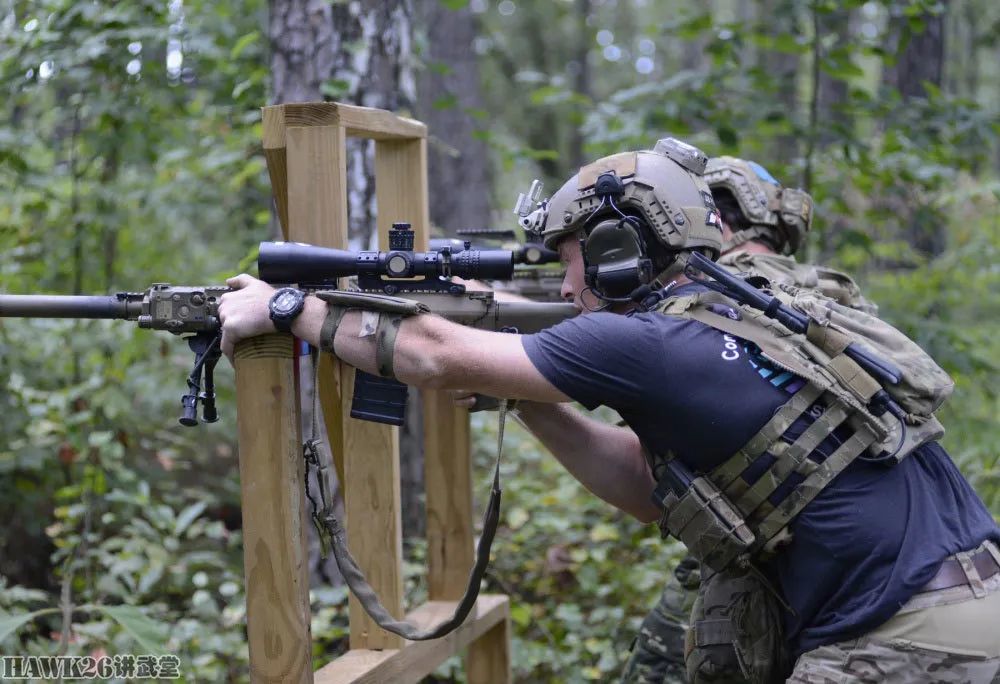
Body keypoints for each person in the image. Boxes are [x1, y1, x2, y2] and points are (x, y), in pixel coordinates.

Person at [218, 139, 1000, 683]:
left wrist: (290, 308)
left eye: (570, 262)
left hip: (900, 637)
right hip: (968, 605)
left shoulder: (648, 342)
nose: (564, 289)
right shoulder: (743, 309)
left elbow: (430, 354)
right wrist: (530, 406)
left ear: (621, 252)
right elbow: (645, 484)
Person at [621, 156, 878, 684]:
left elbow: (639, 471)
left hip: (737, 559)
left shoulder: (703, 298)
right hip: (846, 563)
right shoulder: (833, 295)